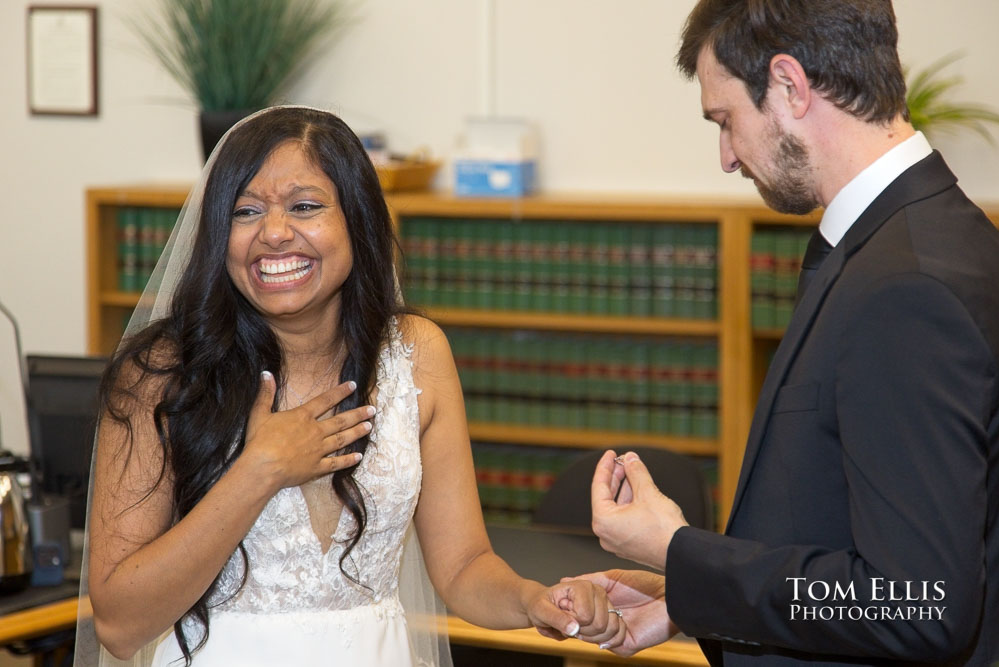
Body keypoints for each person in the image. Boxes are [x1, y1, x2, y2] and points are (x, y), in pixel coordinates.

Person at [75, 106, 626, 667]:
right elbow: (119, 625)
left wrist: (534, 600)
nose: (274, 233)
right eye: (246, 211)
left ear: (356, 220)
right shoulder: (160, 375)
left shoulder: (417, 354)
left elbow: (463, 567)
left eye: (305, 206)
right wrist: (259, 470)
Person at [577, 1, 999, 665]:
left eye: (726, 121)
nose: (726, 156)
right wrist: (689, 595)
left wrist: (679, 548)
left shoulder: (904, 289)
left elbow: (920, 604)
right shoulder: (914, 240)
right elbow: (836, 533)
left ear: (788, 86)